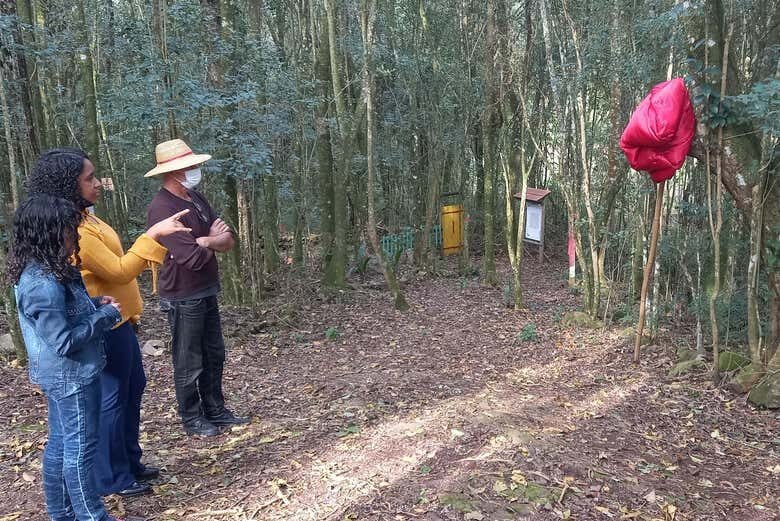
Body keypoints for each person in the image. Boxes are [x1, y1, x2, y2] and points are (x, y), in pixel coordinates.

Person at [27, 148, 192, 497]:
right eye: (89, 178)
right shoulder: (72, 228)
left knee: (133, 390)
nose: (98, 182)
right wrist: (155, 234)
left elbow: (119, 260)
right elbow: (119, 269)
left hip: (121, 319)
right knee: (112, 399)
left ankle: (130, 461)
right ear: (67, 184)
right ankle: (112, 476)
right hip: (103, 324)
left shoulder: (88, 217)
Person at [9, 194, 126, 521]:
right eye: (69, 229)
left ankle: (61, 514)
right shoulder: (41, 282)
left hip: (69, 373)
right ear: (47, 231)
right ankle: (92, 516)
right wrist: (103, 319)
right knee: (80, 449)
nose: (74, 235)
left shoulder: (49, 269)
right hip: (71, 375)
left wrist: (93, 306)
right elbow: (62, 341)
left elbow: (62, 318)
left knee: (62, 444)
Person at [145, 138, 248, 436]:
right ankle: (192, 417)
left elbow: (227, 240)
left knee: (214, 353)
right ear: (173, 171)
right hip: (182, 295)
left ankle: (215, 409)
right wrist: (205, 243)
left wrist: (206, 241)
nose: (195, 169)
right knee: (189, 359)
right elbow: (190, 259)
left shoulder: (197, 199)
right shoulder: (162, 208)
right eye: (190, 166)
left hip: (207, 289)